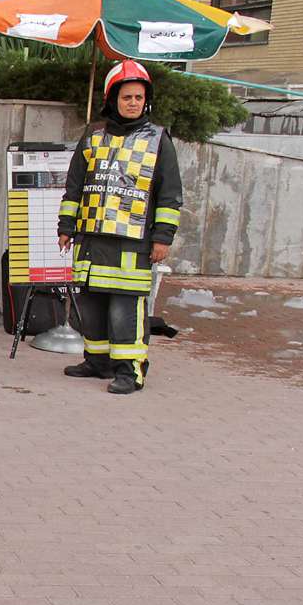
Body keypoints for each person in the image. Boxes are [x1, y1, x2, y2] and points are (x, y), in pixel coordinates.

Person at [58, 61, 182, 394]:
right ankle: (97, 362)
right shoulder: (93, 135)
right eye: (126, 96)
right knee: (92, 306)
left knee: (124, 310)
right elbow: (75, 186)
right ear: (113, 99)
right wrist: (66, 226)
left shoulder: (158, 140)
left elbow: (170, 195)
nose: (132, 103)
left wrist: (162, 238)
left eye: (138, 97)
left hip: (133, 244)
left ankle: (131, 371)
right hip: (91, 238)